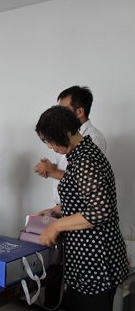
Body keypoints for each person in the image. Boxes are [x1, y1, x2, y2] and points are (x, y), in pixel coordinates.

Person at [35, 105, 127, 311]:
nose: (50, 146)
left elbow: (100, 210)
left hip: (96, 256)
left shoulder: (86, 160)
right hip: (83, 254)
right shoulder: (78, 156)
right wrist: (56, 210)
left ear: (67, 132)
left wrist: (56, 227)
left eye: (51, 140)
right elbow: (80, 194)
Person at [34, 86, 106, 205]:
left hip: (80, 208)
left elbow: (85, 179)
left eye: (64, 110)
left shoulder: (93, 139)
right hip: (66, 205)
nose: (50, 147)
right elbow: (69, 169)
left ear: (80, 111)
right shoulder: (68, 142)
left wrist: (52, 172)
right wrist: (50, 167)